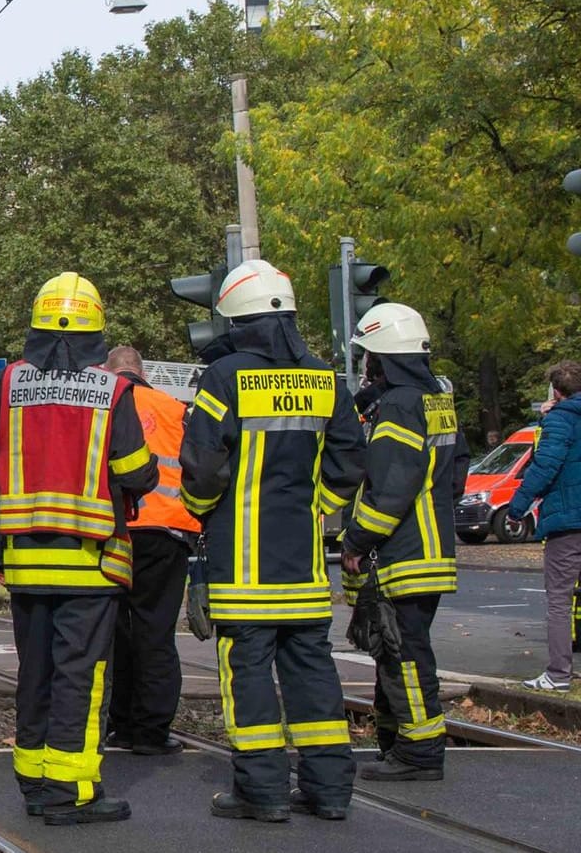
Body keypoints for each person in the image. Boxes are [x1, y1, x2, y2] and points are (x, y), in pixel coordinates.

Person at [0, 273, 157, 827]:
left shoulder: (5, 386)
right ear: (97, 329)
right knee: (82, 675)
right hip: (90, 564)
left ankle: (32, 780)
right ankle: (68, 792)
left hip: (25, 563)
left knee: (38, 672)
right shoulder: (112, 391)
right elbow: (134, 472)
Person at [180, 260, 366, 824]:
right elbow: (350, 462)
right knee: (314, 674)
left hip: (241, 568)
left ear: (236, 321)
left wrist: (199, 515)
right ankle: (330, 790)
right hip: (305, 568)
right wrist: (318, 513)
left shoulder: (225, 377)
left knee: (250, 675)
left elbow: (203, 467)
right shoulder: (326, 379)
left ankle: (261, 793)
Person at [340, 304, 467, 781]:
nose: (367, 365)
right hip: (431, 550)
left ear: (384, 357)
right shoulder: (436, 400)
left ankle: (419, 752)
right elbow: (454, 476)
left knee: (405, 655)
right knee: (392, 648)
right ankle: (395, 742)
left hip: (403, 553)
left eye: (370, 356)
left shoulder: (398, 406)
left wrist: (356, 539)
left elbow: (390, 485)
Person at [101, 345, 198, 757]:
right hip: (168, 534)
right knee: (155, 633)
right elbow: (200, 468)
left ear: (111, 373)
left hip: (115, 531)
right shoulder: (174, 408)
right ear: (142, 372)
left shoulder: (102, 407)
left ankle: (119, 724)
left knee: (115, 632)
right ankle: (151, 730)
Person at [506, 360, 581, 691]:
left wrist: (517, 507)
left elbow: (545, 466)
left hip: (567, 521)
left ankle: (558, 674)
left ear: (556, 390)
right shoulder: (562, 418)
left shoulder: (560, 421)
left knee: (559, 601)